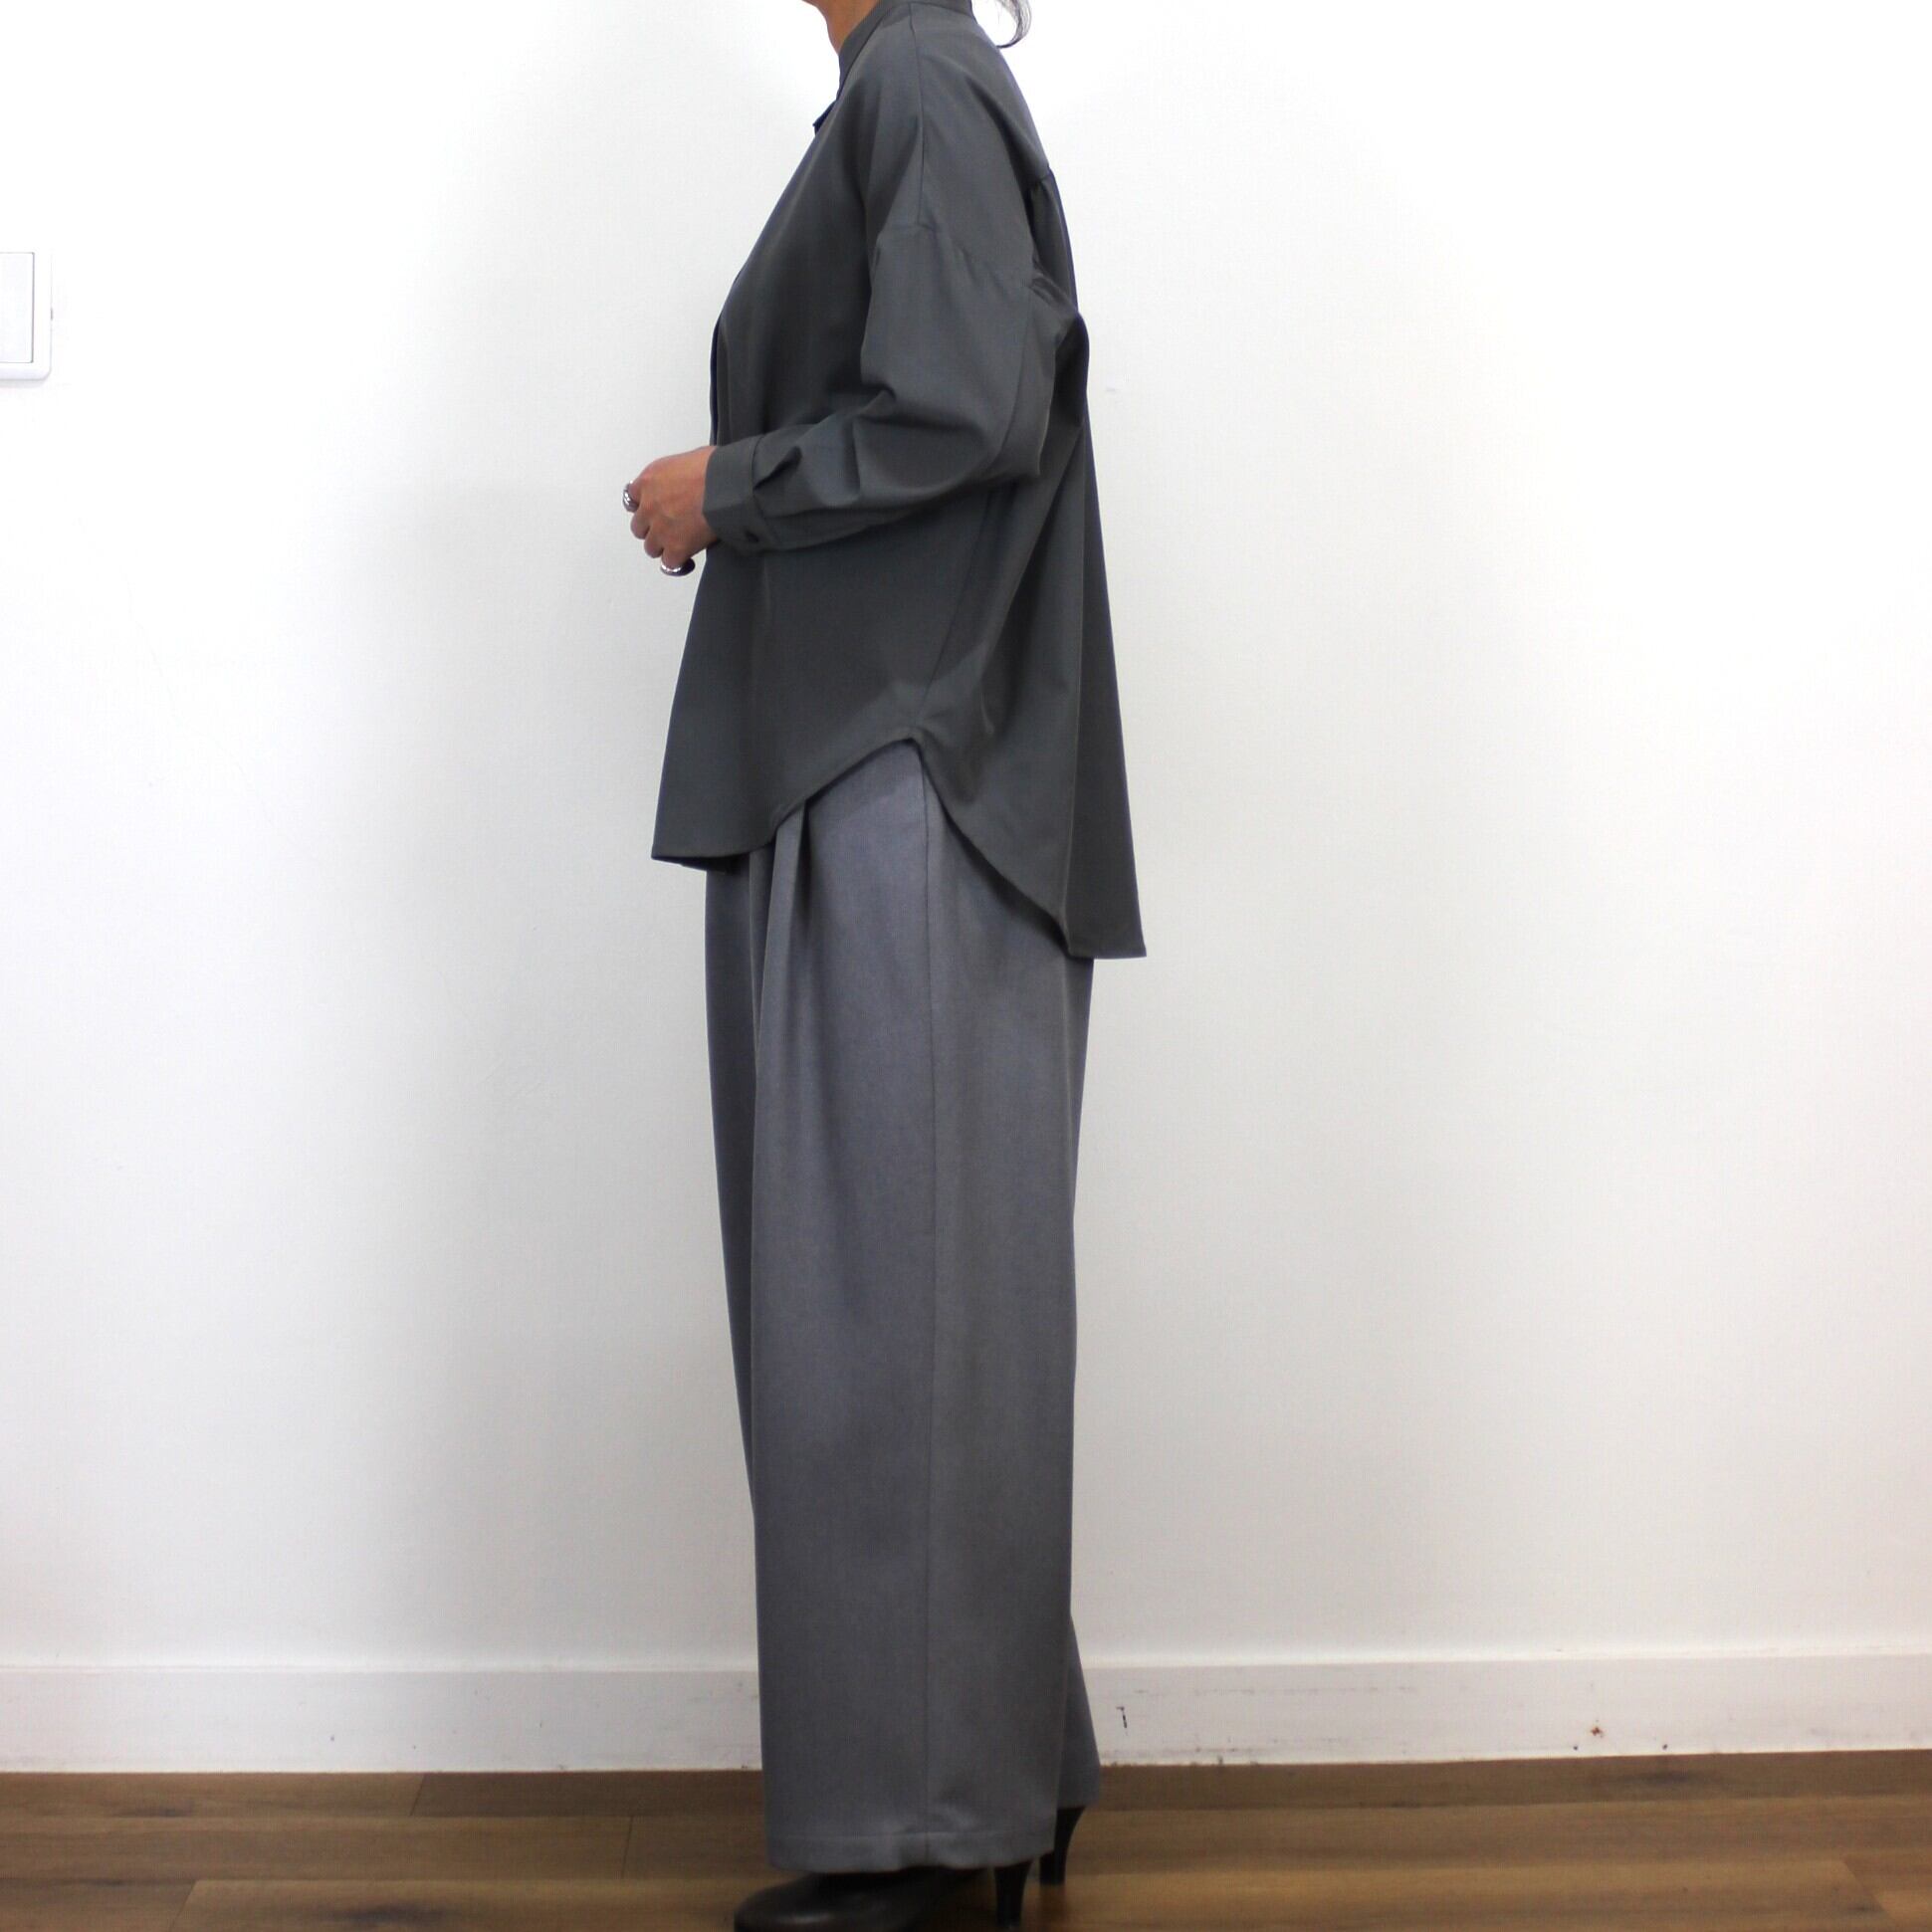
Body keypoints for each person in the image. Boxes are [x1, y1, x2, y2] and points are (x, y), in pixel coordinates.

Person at [623, 2, 1145, 1926]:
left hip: (899, 772)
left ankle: (931, 1847)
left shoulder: (919, 79)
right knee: (918, 1320)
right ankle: (1002, 1779)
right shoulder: (900, 92)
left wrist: (728, 487)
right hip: (878, 760)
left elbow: (965, 404)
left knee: (881, 1329)